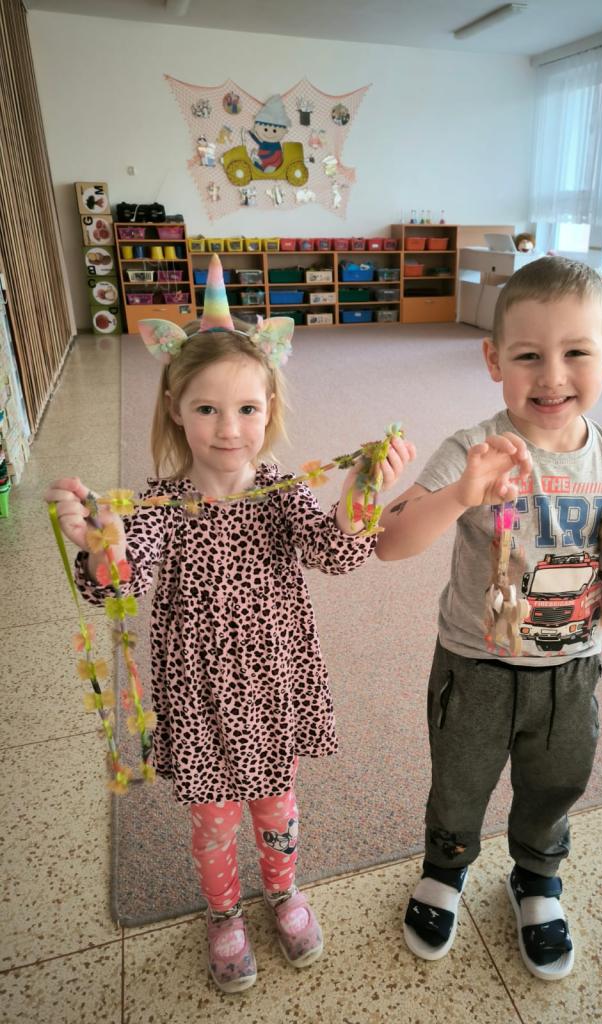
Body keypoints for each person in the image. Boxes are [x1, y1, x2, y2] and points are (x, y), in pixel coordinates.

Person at [46, 255, 414, 995]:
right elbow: (120, 582)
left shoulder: (280, 491)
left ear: (269, 409)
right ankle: (222, 913)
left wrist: (359, 497)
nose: (228, 428)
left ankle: (283, 891)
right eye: (207, 409)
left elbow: (334, 554)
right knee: (213, 821)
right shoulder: (159, 503)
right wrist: (96, 545)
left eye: (247, 408)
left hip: (274, 687)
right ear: (175, 409)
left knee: (278, 808)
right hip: (198, 697)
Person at [376, 256, 602, 981]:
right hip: (475, 664)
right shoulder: (473, 449)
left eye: (576, 353)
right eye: (529, 356)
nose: (552, 377)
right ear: (493, 359)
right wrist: (459, 495)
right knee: (460, 780)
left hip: (571, 669)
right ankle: (446, 868)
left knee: (556, 781)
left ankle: (537, 877)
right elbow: (390, 540)